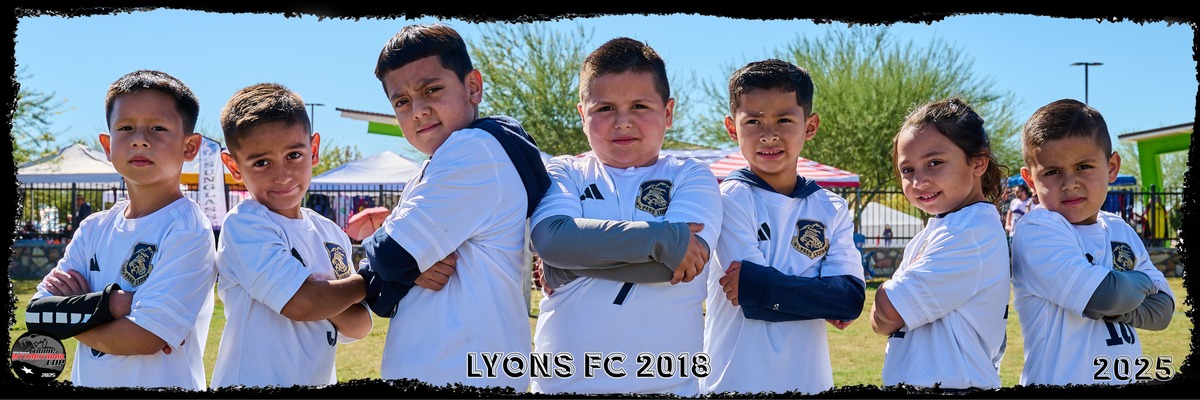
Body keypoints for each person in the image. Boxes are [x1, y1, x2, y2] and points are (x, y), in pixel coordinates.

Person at [353, 23, 551, 391]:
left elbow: (391, 255)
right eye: (401, 101)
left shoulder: (475, 149)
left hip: (456, 369)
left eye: (432, 89)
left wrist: (397, 261)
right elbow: (384, 285)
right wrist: (407, 268)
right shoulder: (442, 161)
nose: (418, 110)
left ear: (473, 87)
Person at [528, 37, 721, 396]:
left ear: (668, 113)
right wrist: (663, 238)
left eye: (639, 106)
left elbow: (674, 268)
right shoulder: (564, 171)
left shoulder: (691, 175)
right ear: (582, 115)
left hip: (669, 386)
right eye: (604, 108)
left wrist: (565, 266)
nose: (623, 122)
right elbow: (552, 241)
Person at [25, 70, 217, 389]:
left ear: (190, 146)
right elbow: (38, 315)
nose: (140, 139)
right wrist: (113, 304)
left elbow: (144, 337)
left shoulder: (188, 230)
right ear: (107, 144)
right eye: (126, 128)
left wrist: (74, 312)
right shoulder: (93, 228)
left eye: (158, 128)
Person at [700, 59, 865, 395]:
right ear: (732, 128)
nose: (769, 134)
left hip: (810, 384)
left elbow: (848, 299)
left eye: (784, 120)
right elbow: (753, 301)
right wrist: (820, 296)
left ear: (810, 126)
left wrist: (761, 285)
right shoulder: (730, 198)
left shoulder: (831, 207)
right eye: (753, 121)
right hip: (735, 382)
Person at [210, 83, 372, 387]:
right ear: (234, 166)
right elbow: (301, 304)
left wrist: (321, 294)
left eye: (294, 155)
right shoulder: (245, 225)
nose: (282, 175)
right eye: (261, 162)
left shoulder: (329, 233)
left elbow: (359, 325)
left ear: (313, 150)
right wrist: (363, 282)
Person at [1011, 99, 1174, 386]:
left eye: (1083, 166)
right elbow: (1105, 297)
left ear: (1111, 167)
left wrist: (1121, 298)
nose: (1070, 183)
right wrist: (1140, 284)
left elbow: (1163, 311)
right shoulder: (1037, 229)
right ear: (1030, 180)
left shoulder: (1119, 229)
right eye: (1052, 172)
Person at [870, 97, 1010, 391]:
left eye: (934, 163)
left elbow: (888, 311)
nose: (919, 181)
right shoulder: (945, 227)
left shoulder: (969, 232)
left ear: (978, 162)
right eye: (907, 170)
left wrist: (886, 297)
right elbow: (881, 319)